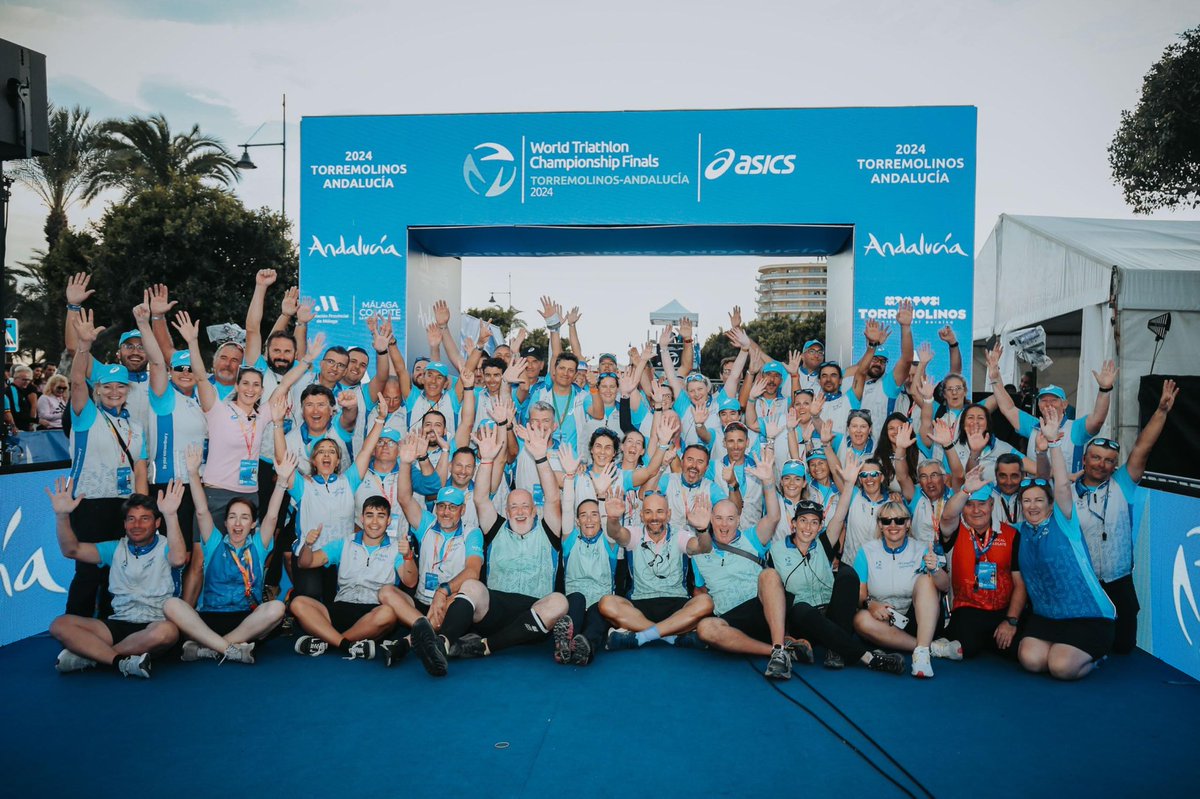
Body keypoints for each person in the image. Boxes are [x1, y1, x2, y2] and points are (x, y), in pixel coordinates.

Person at [434, 423, 570, 663]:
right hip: (495, 607)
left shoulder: (548, 531)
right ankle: (441, 644)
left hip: (534, 611)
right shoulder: (495, 528)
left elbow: (553, 498)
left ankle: (487, 646)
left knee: (559, 602)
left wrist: (540, 459)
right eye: (514, 506)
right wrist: (486, 460)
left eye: (525, 506)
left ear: (534, 511)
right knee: (472, 588)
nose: (519, 511)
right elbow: (480, 498)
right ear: (506, 511)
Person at [1072, 379, 1178, 654]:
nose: (1102, 464)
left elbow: (1142, 447)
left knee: (1123, 650)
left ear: (1115, 465)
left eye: (1109, 460)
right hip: (1084, 581)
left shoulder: (1123, 485)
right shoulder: (1066, 492)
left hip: (1119, 581)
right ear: (1084, 460)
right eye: (1096, 457)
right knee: (1085, 646)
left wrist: (1162, 412)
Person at [47, 477, 187, 678]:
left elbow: (179, 559)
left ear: (157, 523)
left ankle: (92, 657)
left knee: (167, 632)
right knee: (59, 625)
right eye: (131, 519)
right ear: (125, 524)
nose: (137, 524)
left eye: (145, 518)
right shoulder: (114, 548)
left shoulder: (167, 545)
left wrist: (171, 515)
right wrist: (61, 515)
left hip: (154, 623)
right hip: (119, 622)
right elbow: (71, 550)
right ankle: (118, 660)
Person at [162, 448, 292, 663]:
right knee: (171, 606)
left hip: (246, 620)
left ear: (252, 525)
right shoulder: (213, 543)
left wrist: (282, 480)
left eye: (244, 518)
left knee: (277, 608)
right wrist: (193, 473)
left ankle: (210, 648)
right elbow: (202, 511)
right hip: (210, 617)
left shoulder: (259, 546)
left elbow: (271, 516)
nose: (238, 523)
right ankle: (230, 649)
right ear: (225, 523)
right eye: (232, 517)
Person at [1015, 406, 1116, 680]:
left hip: (1086, 616)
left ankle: (1097, 657)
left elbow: (1060, 484)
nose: (1032, 506)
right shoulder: (1021, 530)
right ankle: (1059, 649)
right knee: (1030, 660)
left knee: (1061, 667)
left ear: (1050, 505)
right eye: (1026, 501)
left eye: (1038, 500)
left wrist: (1054, 445)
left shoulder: (1065, 521)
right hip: (1047, 616)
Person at [65, 310, 150, 618]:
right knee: (88, 574)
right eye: (107, 387)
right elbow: (76, 381)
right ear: (97, 390)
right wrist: (85, 346)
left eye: (120, 387)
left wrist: (140, 508)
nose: (114, 392)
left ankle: (107, 630)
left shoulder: (134, 427)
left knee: (116, 573)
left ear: (127, 391)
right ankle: (76, 635)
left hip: (121, 506)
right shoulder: (87, 415)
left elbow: (139, 467)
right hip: (89, 503)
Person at [691, 451, 803, 680]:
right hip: (732, 620)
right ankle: (778, 651)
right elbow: (700, 591)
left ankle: (779, 646)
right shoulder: (700, 551)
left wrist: (769, 482)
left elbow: (773, 517)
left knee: (770, 575)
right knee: (705, 628)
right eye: (719, 518)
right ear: (710, 519)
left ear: (738, 520)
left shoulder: (751, 537)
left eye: (730, 518)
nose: (724, 524)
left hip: (764, 609)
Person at [770, 500, 905, 674]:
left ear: (820, 527)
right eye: (803, 520)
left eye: (814, 522)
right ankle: (869, 658)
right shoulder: (776, 551)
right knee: (800, 608)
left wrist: (848, 482)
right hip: (803, 620)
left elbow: (840, 516)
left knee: (848, 575)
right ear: (793, 523)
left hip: (831, 615)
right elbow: (771, 592)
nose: (808, 527)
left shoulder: (822, 544)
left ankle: (836, 650)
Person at [284, 402, 389, 602]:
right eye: (321, 451)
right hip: (310, 555)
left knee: (339, 603)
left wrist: (380, 419)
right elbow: (281, 457)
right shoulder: (302, 485)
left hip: (343, 557)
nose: (326, 455)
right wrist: (278, 423)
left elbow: (366, 451)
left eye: (331, 451)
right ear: (314, 461)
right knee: (310, 598)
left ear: (338, 461)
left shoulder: (348, 481)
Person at [290, 494, 410, 660]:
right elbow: (305, 563)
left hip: (372, 612)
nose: (374, 522)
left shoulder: (397, 547)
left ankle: (327, 641)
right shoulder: (345, 542)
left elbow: (410, 581)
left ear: (389, 520)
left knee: (388, 613)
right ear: (361, 518)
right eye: (369, 515)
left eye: (380, 516)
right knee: (298, 603)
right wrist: (308, 546)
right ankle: (346, 644)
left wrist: (408, 557)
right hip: (340, 606)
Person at [851, 500, 962, 678]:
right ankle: (929, 647)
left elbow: (944, 586)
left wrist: (934, 570)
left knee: (926, 581)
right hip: (886, 619)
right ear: (880, 524)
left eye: (899, 520)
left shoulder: (922, 548)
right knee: (860, 619)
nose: (893, 525)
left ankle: (922, 652)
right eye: (887, 521)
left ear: (908, 523)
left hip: (919, 619)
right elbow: (860, 595)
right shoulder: (866, 551)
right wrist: (871, 605)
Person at [598, 491, 715, 651]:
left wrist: (702, 530)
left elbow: (704, 547)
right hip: (640, 605)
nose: (654, 517)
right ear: (641, 515)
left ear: (668, 514)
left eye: (660, 511)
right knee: (606, 603)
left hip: (677, 603)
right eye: (648, 512)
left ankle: (642, 636)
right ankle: (672, 636)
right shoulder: (635, 534)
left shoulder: (680, 535)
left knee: (706, 602)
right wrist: (612, 519)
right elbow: (616, 533)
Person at [938, 466, 1026, 658]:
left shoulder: (1011, 535)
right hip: (968, 609)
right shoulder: (955, 530)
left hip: (1002, 610)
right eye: (969, 504)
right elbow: (947, 516)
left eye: (982, 504)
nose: (976, 510)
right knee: (966, 648)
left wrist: (1011, 621)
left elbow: (1020, 584)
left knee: (1020, 652)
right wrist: (965, 491)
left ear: (991, 505)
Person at [988, 342, 1117, 473]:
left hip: (1068, 491)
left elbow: (1097, 420)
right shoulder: (1033, 426)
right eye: (1044, 400)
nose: (1048, 404)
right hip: (1037, 491)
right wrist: (995, 378)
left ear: (1065, 404)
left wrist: (1105, 390)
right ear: (1038, 405)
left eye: (1054, 400)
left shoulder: (1076, 428)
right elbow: (1008, 409)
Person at [4, 363, 38, 431]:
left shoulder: (21, 390)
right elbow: (17, 412)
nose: (27, 382)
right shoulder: (13, 390)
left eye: (29, 380)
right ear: (15, 378)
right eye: (24, 380)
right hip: (18, 430)